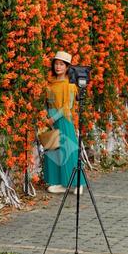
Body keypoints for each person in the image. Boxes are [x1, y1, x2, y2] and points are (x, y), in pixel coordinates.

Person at [43, 51, 85, 194]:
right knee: (53, 151)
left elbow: (68, 105)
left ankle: (78, 183)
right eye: (56, 64)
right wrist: (45, 117)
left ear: (67, 67)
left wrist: (53, 118)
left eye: (61, 64)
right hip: (49, 120)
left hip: (63, 120)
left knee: (68, 151)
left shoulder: (70, 85)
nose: (58, 67)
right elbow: (46, 102)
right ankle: (58, 182)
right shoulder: (50, 83)